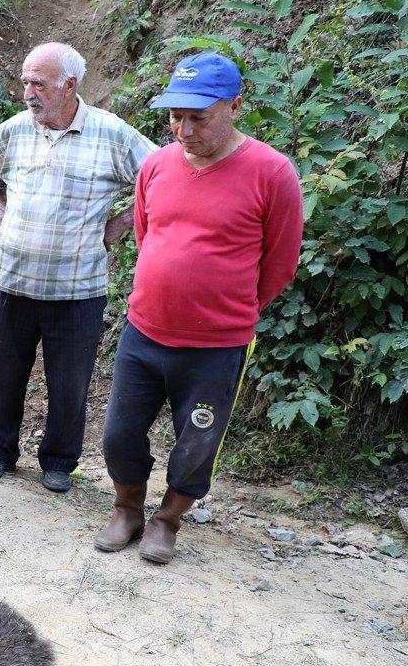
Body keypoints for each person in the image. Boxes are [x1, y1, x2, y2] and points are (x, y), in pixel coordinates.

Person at [96, 53, 303, 564]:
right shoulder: (157, 165)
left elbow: (279, 263)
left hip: (217, 344)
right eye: (175, 117)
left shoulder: (272, 173)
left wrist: (225, 309)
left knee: (197, 441)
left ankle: (167, 520)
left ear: (234, 107)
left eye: (199, 117)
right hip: (144, 331)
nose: (184, 130)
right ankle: (127, 508)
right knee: (120, 432)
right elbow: (148, 235)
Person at [0, 42, 157, 493]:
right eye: (25, 81)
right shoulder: (16, 130)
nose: (27, 93)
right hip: (12, 280)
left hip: (77, 288)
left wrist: (119, 225)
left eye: (38, 84)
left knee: (69, 382)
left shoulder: (111, 134)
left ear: (70, 85)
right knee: (5, 373)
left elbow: (160, 177)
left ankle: (58, 460)